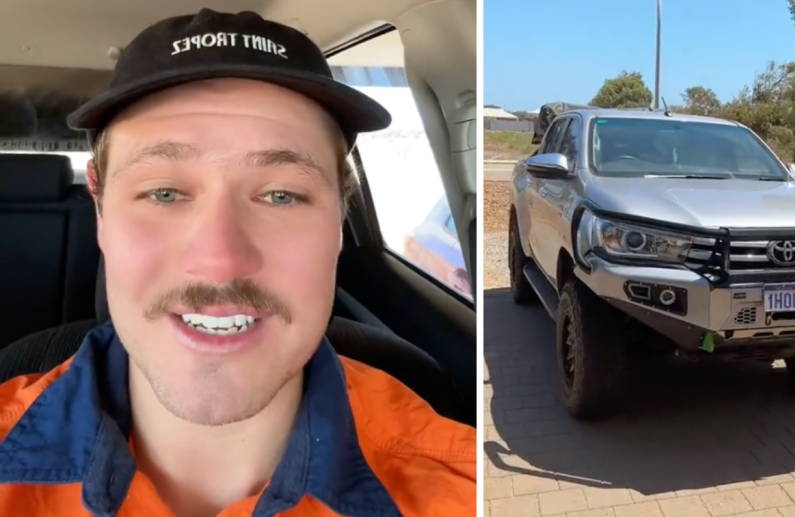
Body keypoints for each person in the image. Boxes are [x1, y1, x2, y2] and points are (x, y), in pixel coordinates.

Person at [0, 8, 476, 517]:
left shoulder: (461, 487)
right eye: (164, 192)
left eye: (281, 196)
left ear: (341, 218)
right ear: (100, 211)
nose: (220, 262)